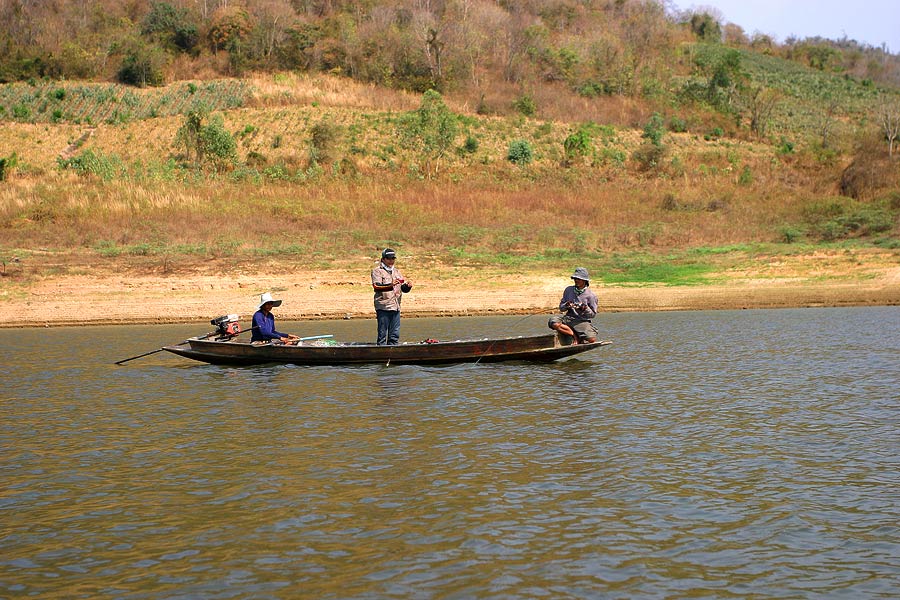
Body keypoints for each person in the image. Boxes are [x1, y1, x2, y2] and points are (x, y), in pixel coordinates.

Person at [371, 248, 412, 345]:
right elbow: (376, 286)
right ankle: (381, 354)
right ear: (383, 259)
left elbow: (403, 289)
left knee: (394, 335)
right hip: (383, 306)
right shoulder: (377, 271)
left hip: (396, 306)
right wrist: (391, 285)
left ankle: (392, 353)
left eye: (393, 258)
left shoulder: (397, 271)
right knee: (382, 334)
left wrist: (407, 286)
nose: (391, 261)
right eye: (389, 258)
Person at [548, 267, 599, 345]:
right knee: (553, 322)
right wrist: (566, 305)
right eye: (575, 278)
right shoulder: (568, 290)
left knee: (591, 340)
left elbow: (592, 315)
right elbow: (561, 308)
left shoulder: (591, 295)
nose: (576, 280)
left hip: (581, 321)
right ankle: (575, 336)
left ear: (585, 280)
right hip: (568, 318)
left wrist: (585, 308)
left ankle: (580, 334)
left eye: (578, 279)